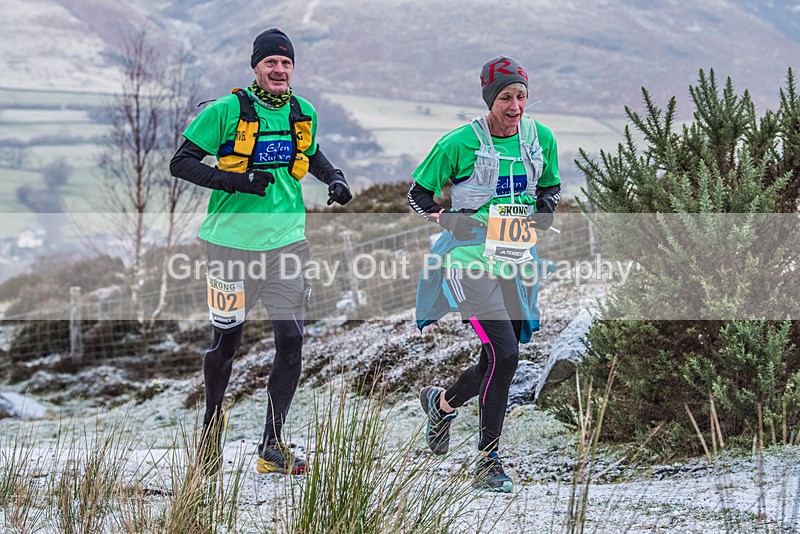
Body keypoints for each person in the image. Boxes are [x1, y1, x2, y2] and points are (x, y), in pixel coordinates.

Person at [170, 28, 352, 475]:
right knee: (226, 343)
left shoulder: (302, 111)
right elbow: (181, 162)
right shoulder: (226, 111)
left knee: (291, 340)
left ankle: (272, 446)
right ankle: (210, 435)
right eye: (271, 62)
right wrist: (237, 181)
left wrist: (334, 177)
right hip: (230, 246)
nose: (279, 69)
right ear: (256, 67)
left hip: (287, 243)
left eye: (286, 63)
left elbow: (311, 153)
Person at [408, 56, 560, 493]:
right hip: (467, 260)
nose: (515, 107)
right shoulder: (459, 143)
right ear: (490, 99)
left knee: (494, 359)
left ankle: (441, 404)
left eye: (521, 96)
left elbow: (550, 184)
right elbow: (417, 194)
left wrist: (546, 207)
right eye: (505, 97)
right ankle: (488, 460)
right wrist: (446, 219)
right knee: (506, 355)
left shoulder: (540, 138)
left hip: (515, 259)